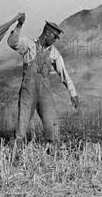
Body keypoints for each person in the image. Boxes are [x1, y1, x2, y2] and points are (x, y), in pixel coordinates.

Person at [7, 13, 79, 143]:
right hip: (28, 91)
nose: (56, 40)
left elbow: (63, 74)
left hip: (44, 92)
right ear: (47, 33)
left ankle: (53, 152)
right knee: (22, 123)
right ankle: (15, 153)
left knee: (52, 122)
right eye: (55, 37)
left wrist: (73, 93)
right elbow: (12, 42)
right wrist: (19, 25)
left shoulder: (54, 52)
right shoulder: (28, 45)